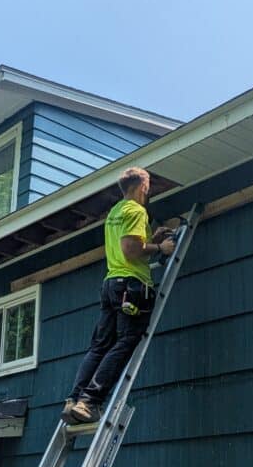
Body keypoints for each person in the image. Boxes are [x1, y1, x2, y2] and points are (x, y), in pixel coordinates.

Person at [62, 166, 175, 424]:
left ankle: (74, 399)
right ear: (142, 187)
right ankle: (89, 401)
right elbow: (130, 249)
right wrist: (161, 246)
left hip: (111, 283)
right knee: (125, 341)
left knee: (100, 345)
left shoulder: (115, 212)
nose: (148, 191)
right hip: (132, 285)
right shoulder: (137, 210)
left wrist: (150, 237)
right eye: (147, 187)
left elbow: (130, 241)